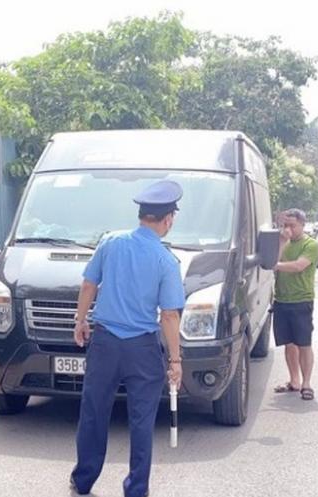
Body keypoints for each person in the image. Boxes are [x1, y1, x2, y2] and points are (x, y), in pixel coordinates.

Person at [69, 180, 186, 497]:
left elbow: (88, 285)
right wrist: (175, 361)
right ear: (168, 219)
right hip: (142, 349)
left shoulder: (110, 242)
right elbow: (169, 316)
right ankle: (136, 489)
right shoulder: (166, 261)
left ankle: (83, 481)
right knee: (141, 420)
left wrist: (81, 320)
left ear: (142, 214)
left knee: (93, 412)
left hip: (105, 343)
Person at [271, 208, 318, 401]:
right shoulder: (283, 243)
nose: (288, 229)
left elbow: (298, 266)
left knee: (304, 343)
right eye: (285, 225)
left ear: (302, 225)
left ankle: (307, 383)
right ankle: (294, 381)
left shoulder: (311, 245)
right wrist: (282, 241)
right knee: (288, 343)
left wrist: (274, 265)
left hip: (301, 300)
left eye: (292, 225)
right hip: (282, 299)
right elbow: (271, 258)